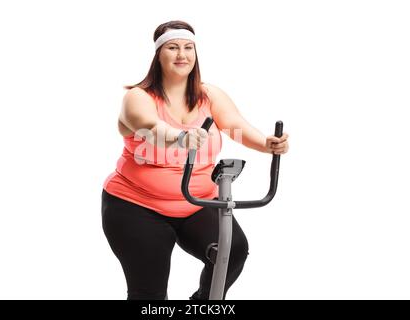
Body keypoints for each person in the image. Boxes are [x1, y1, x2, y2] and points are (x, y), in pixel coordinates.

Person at [102, 20, 289, 300]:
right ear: (158, 55)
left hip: (197, 203)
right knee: (148, 294)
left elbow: (235, 124)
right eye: (173, 48)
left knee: (233, 251)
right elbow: (150, 127)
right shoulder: (137, 97)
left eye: (188, 48)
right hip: (137, 205)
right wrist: (179, 137)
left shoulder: (208, 95)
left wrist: (266, 143)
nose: (182, 55)